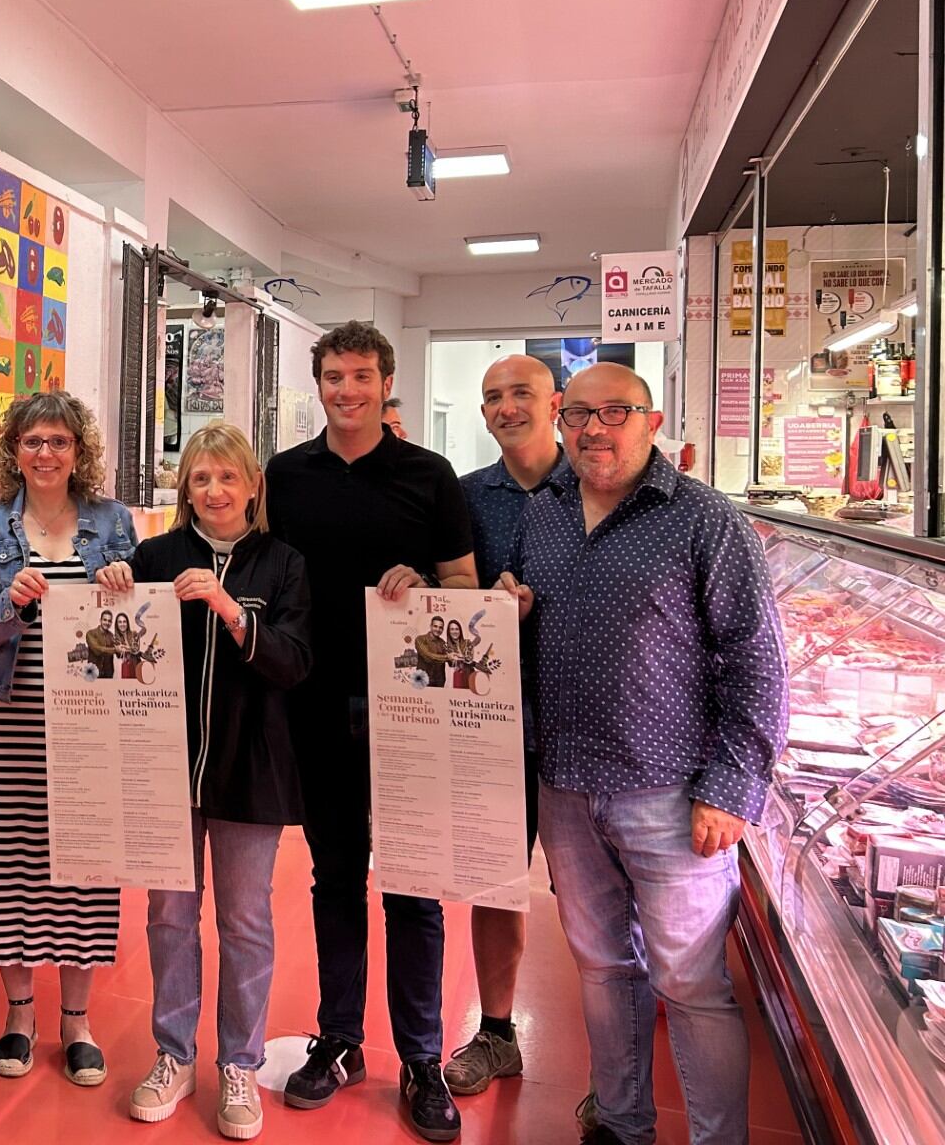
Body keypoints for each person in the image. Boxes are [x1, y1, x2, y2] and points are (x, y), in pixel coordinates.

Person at [500, 365, 786, 1145]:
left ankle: (715, 1138)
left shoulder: (704, 520)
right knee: (601, 971)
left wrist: (732, 786)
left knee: (692, 985)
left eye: (616, 412)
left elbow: (756, 659)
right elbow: (534, 634)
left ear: (651, 422)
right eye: (581, 414)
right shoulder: (546, 514)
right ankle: (623, 1123)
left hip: (669, 792)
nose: (597, 429)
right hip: (566, 786)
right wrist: (512, 612)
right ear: (562, 422)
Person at [263, 320, 476, 1143]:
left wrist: (422, 582)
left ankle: (422, 1057)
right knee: (335, 876)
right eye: (334, 376)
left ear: (387, 384)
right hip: (315, 703)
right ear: (318, 384)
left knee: (415, 884)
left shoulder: (429, 476)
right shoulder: (286, 474)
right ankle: (341, 1038)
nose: (347, 390)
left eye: (361, 376)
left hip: (411, 708)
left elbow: (462, 586)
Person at [125, 422, 311, 1142]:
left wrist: (231, 611)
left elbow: (294, 663)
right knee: (169, 917)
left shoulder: (285, 564)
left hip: (251, 769)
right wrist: (119, 586)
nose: (214, 491)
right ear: (186, 490)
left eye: (228, 477)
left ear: (253, 486)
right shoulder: (155, 556)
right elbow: (120, 645)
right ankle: (173, 1056)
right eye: (200, 479)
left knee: (245, 921)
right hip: (166, 768)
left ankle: (240, 1062)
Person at [0, 390, 139, 1085]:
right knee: (10, 867)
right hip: (7, 721)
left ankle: (78, 1021)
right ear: (14, 451)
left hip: (91, 726)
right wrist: (13, 600)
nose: (44, 454)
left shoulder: (113, 521)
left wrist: (124, 582)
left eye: (58, 441)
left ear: (78, 451)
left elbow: (140, 625)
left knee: (85, 868)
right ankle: (19, 1014)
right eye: (32, 441)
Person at [442, 353, 561, 1098]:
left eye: (522, 393)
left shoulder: (595, 487)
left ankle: (623, 1059)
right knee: (495, 882)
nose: (506, 407)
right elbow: (444, 592)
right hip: (494, 723)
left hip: (590, 722)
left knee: (600, 905)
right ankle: (497, 1032)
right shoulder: (462, 497)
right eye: (493, 397)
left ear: (556, 404)